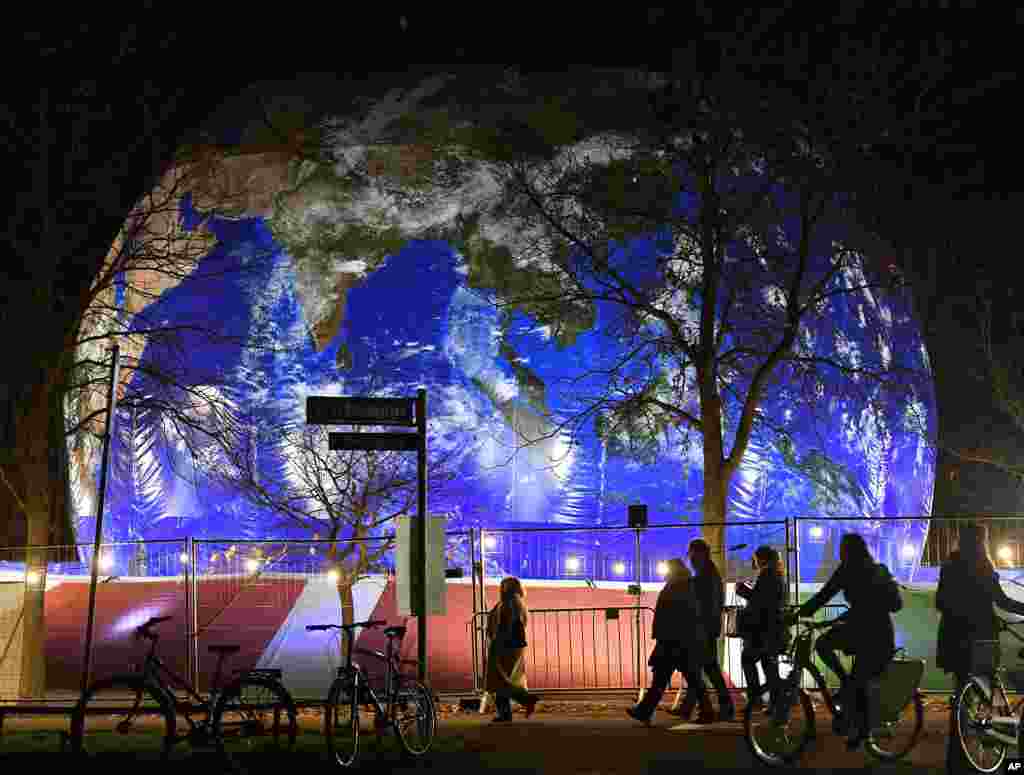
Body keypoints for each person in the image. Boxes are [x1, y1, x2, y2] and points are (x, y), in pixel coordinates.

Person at [787, 533, 898, 750]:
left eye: (842, 549)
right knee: (825, 646)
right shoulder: (874, 569)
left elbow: (823, 596)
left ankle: (863, 729)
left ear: (847, 551)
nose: (840, 552)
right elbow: (827, 596)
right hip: (871, 631)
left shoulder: (849, 570)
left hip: (873, 635)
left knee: (855, 678)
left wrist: (797, 615)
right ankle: (847, 685)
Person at [936, 523, 1024, 768]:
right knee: (989, 685)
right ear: (981, 541)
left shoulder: (950, 565)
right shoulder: (984, 566)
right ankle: (995, 741)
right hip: (982, 636)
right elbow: (1002, 601)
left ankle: (957, 755)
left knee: (962, 693)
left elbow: (940, 601)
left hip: (954, 638)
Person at [627, 558, 710, 725]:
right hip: (680, 640)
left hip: (673, 640)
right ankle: (645, 710)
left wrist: (662, 633)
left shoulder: (677, 586)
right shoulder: (685, 585)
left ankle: (645, 711)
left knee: (663, 678)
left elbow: (671, 613)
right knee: (687, 678)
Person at [673, 538, 735, 722]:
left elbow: (703, 603)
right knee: (703, 669)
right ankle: (691, 707)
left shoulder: (705, 574)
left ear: (698, 553)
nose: (690, 558)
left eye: (691, 553)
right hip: (708, 627)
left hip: (704, 628)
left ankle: (720, 708)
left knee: (705, 670)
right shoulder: (709, 572)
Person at [735, 545, 787, 714]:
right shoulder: (777, 574)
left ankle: (756, 698)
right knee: (768, 666)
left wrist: (743, 591)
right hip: (773, 628)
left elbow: (760, 600)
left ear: (762, 559)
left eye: (756, 558)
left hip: (763, 629)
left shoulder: (767, 574)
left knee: (749, 659)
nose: (754, 562)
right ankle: (775, 702)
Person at [485, 576, 539, 722]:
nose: (503, 588)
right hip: (511, 645)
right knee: (504, 680)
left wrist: (498, 641)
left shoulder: (510, 603)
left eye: (505, 586)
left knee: (499, 680)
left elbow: (508, 625)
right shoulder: (517, 602)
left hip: (504, 645)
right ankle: (510, 710)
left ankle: (523, 702)